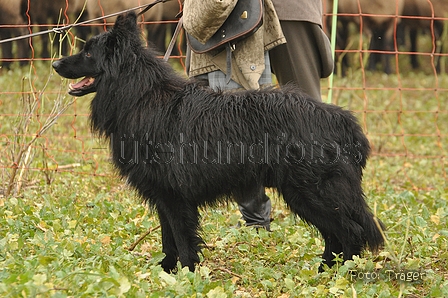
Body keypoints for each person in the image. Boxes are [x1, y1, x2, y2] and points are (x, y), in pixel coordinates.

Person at [183, 0, 333, 231]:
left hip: (287, 8)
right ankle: (255, 219)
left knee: (311, 115)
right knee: (230, 119)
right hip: (228, 13)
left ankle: (333, 205)